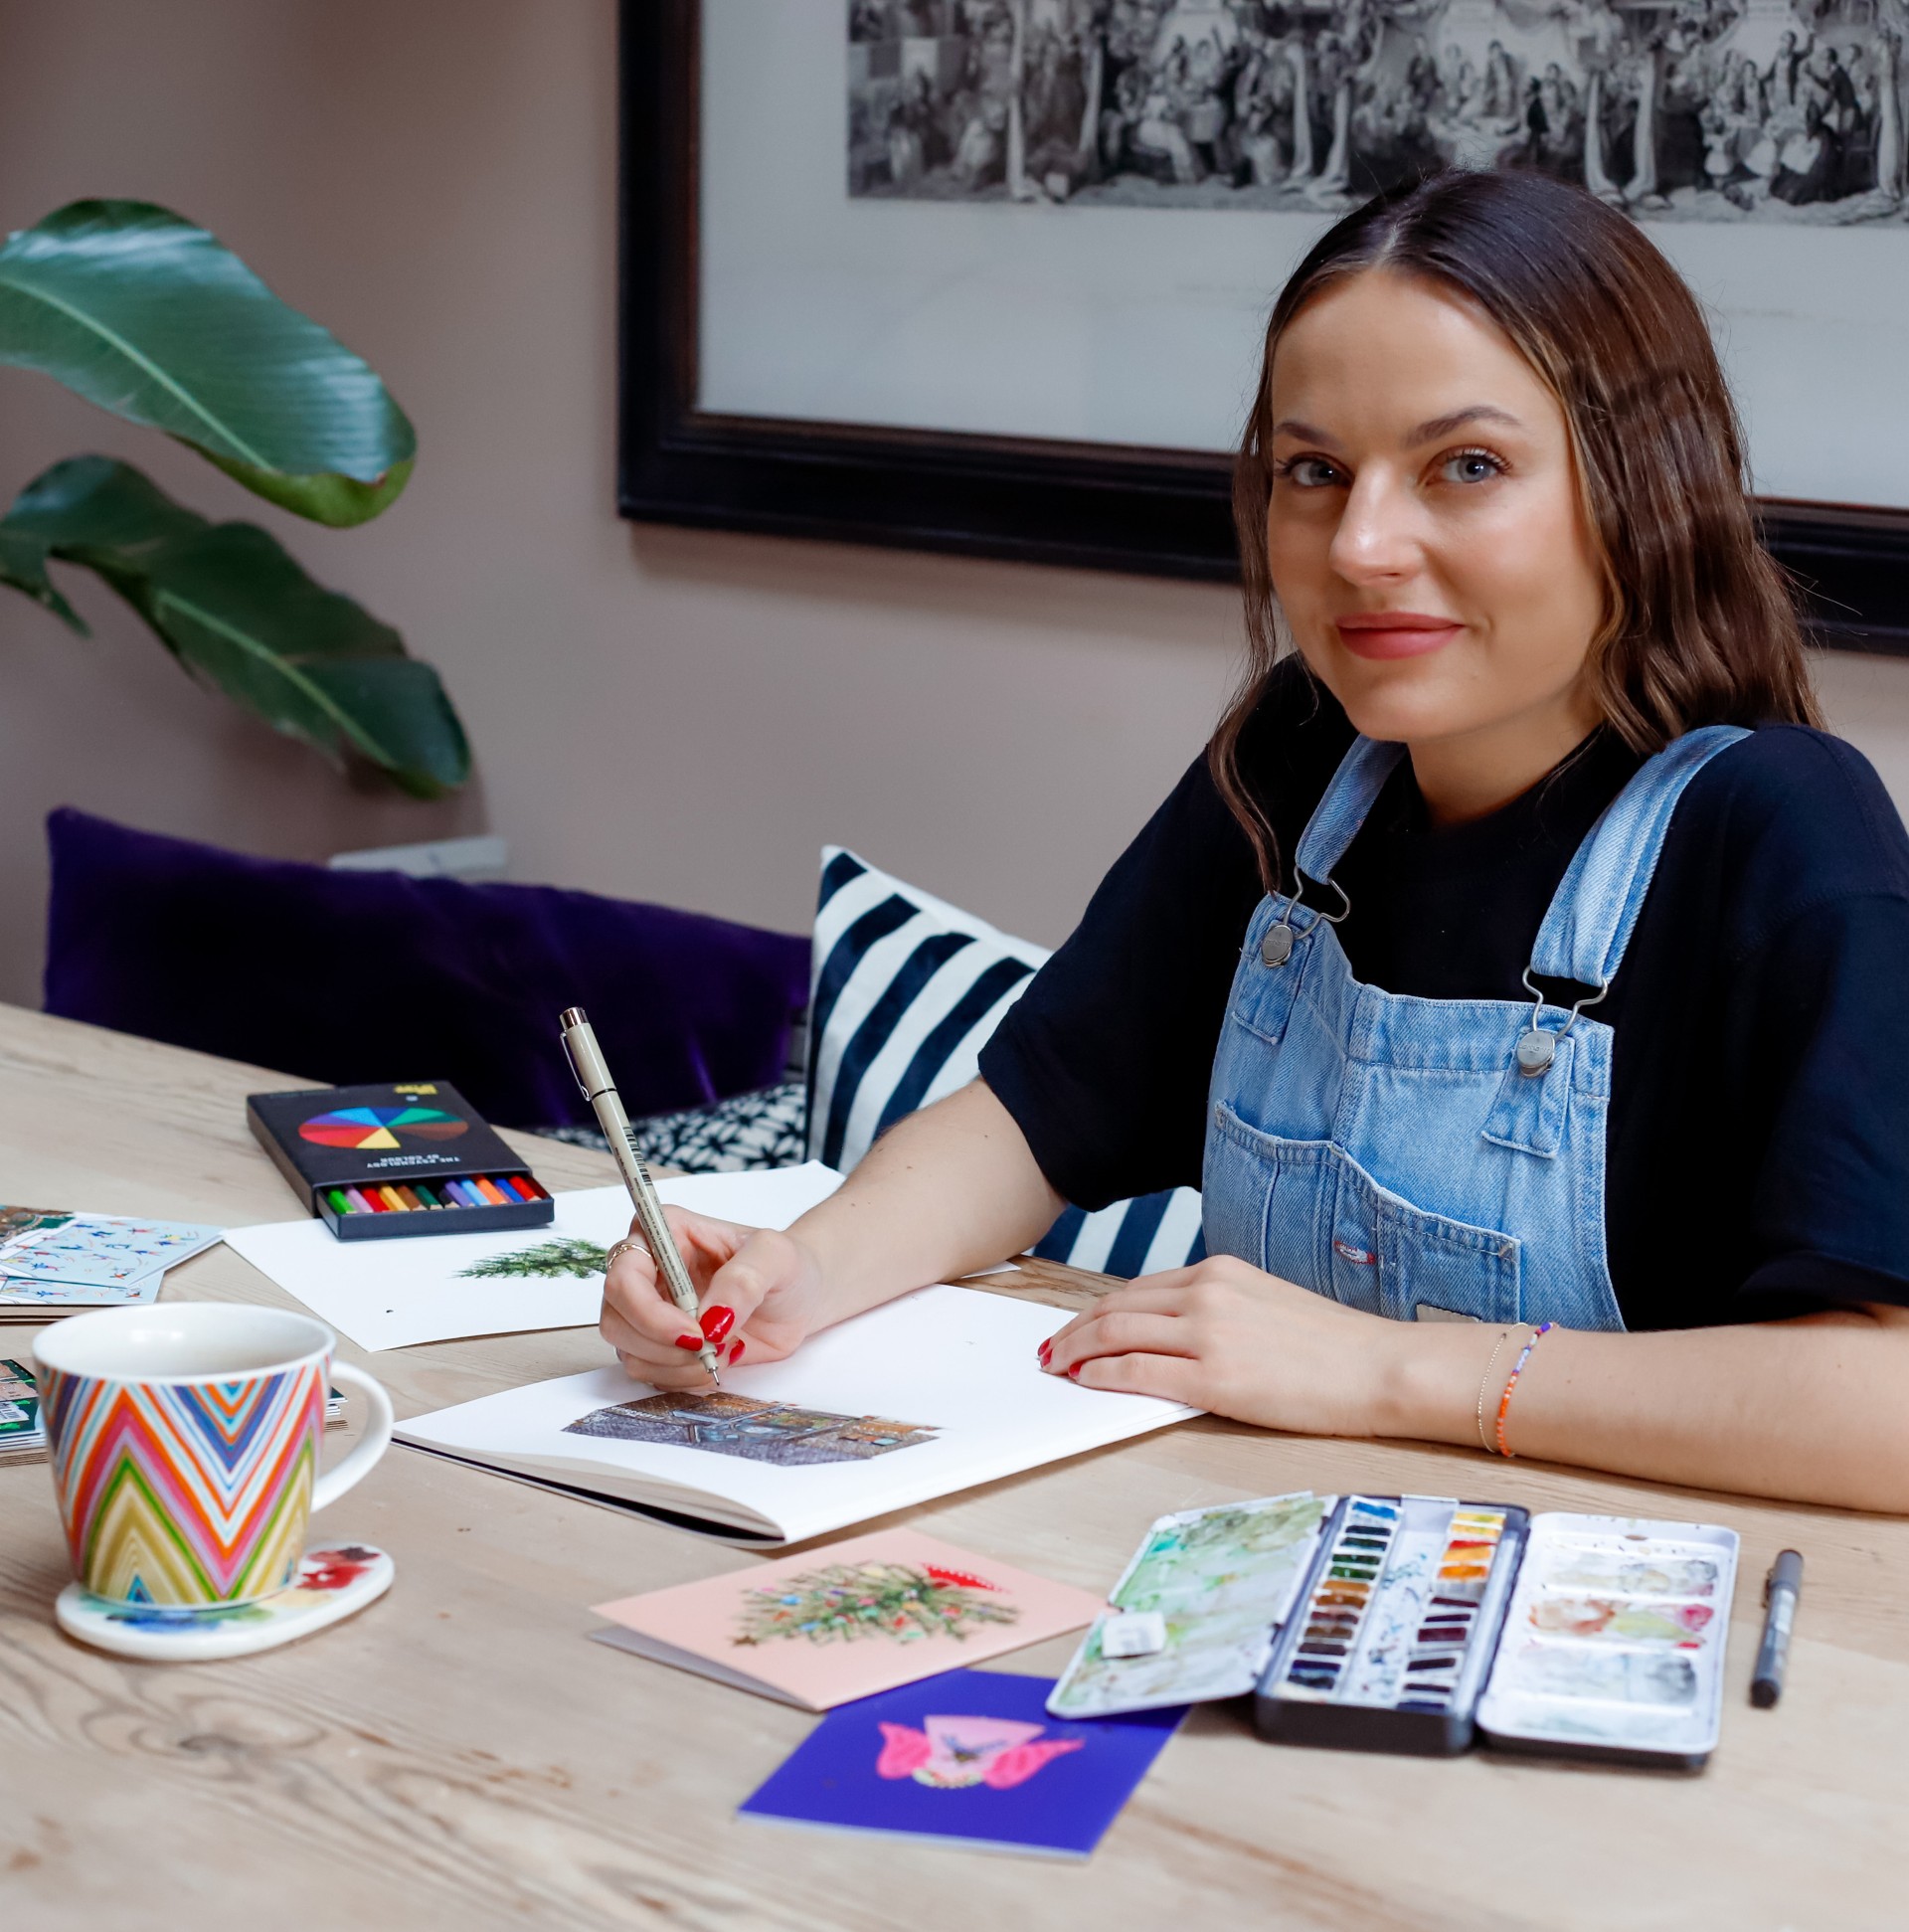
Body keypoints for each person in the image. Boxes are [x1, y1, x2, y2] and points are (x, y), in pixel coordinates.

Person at [601, 170, 1909, 1515]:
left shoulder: (1785, 831)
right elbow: (1031, 1122)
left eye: (1467, 466)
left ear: (1641, 489)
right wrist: (792, 1275)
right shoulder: (1300, 756)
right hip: (1247, 1557)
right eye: (1313, 471)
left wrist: (1391, 1373)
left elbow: (1887, 1407)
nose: (1362, 545)